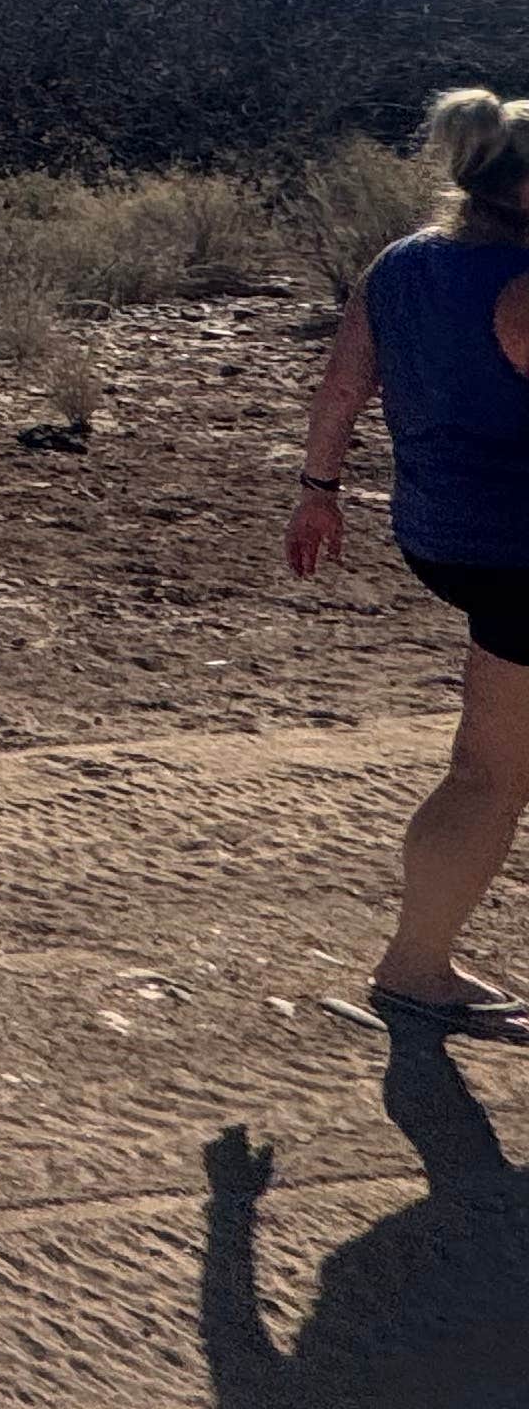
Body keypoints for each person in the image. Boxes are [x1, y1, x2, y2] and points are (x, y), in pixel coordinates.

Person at [289, 88, 529, 1029]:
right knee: (490, 772)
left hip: (444, 536)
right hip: (518, 553)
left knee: (492, 762)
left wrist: (318, 493)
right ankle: (416, 965)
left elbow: (341, 389)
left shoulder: (402, 264)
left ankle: (418, 960)